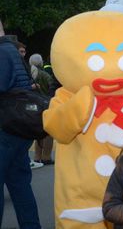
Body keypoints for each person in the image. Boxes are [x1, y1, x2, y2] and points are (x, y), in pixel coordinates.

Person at [0, 19, 41, 228]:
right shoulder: (12, 51)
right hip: (18, 129)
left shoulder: (2, 53)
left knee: (18, 185)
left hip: (5, 130)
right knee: (20, 185)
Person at [13, 42, 45, 169]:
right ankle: (24, 160)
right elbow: (18, 85)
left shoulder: (22, 64)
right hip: (20, 104)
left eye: (24, 52)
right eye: (21, 51)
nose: (23, 54)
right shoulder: (16, 65)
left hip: (24, 103)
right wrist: (30, 86)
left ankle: (25, 159)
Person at [29, 54, 55, 165]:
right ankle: (46, 157)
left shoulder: (29, 74)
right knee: (48, 132)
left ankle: (36, 156)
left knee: (37, 132)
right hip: (45, 105)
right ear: (41, 62)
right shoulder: (45, 75)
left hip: (32, 106)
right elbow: (52, 87)